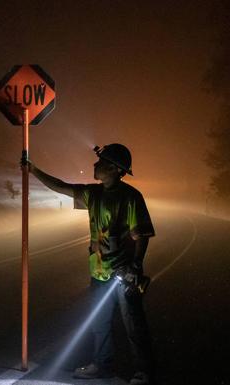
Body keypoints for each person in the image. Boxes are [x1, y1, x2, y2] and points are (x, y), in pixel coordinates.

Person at [22, 143, 156, 385]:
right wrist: (33, 170)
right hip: (98, 271)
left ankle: (143, 372)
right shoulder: (93, 194)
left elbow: (141, 236)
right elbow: (62, 187)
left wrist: (135, 267)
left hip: (122, 274)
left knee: (133, 325)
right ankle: (102, 365)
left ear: (115, 169)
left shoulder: (131, 197)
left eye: (102, 162)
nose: (96, 165)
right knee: (99, 322)